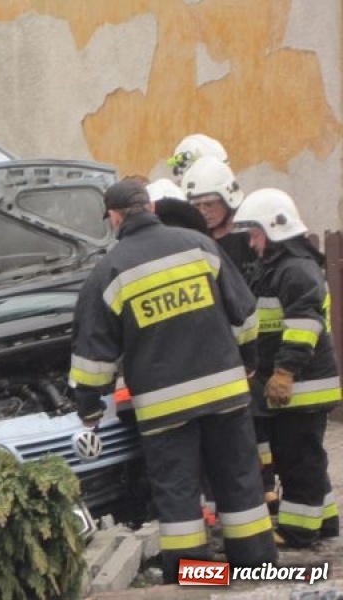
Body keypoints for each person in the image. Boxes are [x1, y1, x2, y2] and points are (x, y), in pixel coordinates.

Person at [65, 178, 277, 584]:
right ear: (151, 207)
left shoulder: (109, 272)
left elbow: (93, 357)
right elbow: (246, 314)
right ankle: (255, 573)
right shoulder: (199, 246)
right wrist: (248, 362)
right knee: (240, 484)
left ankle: (198, 582)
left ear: (114, 217)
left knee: (178, 499)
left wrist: (90, 407)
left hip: (166, 410)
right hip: (226, 395)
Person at [233, 188, 341, 548]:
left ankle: (299, 532)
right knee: (306, 457)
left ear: (274, 228)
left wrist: (284, 373)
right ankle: (324, 521)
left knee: (298, 463)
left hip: (300, 386)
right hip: (296, 385)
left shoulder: (295, 270)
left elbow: (304, 326)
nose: (251, 242)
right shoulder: (281, 268)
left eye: (255, 233)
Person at [180, 156, 277, 510]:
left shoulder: (246, 239)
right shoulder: (193, 243)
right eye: (198, 205)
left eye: (211, 203)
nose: (204, 211)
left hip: (254, 349)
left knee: (259, 424)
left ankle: (266, 486)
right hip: (216, 350)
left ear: (229, 199)